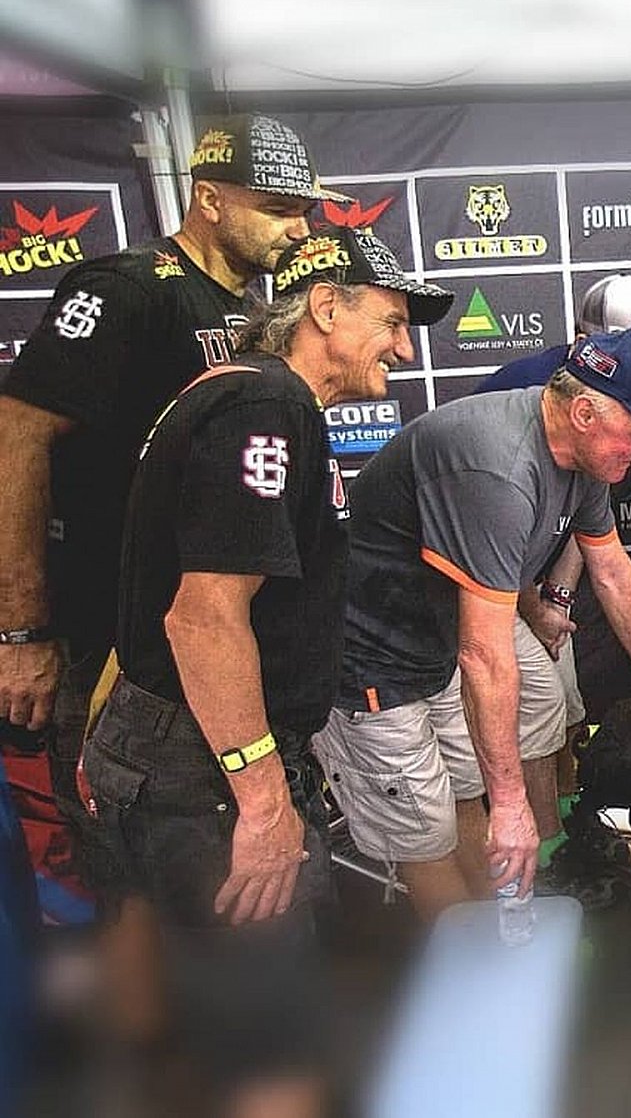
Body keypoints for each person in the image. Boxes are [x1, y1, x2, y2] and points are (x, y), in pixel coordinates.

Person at [81, 225, 450, 1118]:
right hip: (206, 767)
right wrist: (260, 800)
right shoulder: (265, 406)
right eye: (391, 323)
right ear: (324, 308)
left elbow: (160, 592)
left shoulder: (232, 391)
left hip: (158, 738)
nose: (403, 350)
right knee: (271, 1046)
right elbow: (202, 616)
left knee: (189, 1002)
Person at [0, 113, 338, 1054]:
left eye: (304, 213)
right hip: (112, 642)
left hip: (200, 650)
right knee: (127, 878)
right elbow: (16, 436)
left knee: (211, 888)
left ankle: (206, 1057)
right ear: (210, 197)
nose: (297, 230)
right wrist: (22, 630)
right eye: (277, 209)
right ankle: (147, 1067)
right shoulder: (129, 290)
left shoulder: (250, 309)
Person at [313, 328, 631, 918]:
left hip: (437, 639)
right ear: (584, 412)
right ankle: (470, 956)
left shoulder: (585, 457)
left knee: (467, 793)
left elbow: (612, 570)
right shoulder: (500, 467)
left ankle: (505, 930)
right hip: (367, 654)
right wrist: (513, 805)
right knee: (424, 832)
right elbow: (487, 655)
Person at [474, 274, 631, 803]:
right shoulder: (532, 410)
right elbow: (489, 543)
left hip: (537, 571)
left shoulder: (610, 414)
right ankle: (538, 832)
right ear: (587, 347)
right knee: (539, 705)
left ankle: (570, 818)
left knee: (567, 708)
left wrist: (559, 596)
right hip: (482, 581)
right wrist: (537, 607)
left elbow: (591, 525)